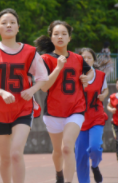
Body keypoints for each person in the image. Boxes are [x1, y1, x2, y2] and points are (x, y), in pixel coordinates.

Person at [0, 9, 47, 183]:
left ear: (18, 27)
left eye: (12, 22)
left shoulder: (30, 52)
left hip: (23, 109)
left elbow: (42, 78)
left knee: (16, 153)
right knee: (6, 158)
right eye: (4, 23)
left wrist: (32, 90)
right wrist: (1, 92)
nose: (8, 25)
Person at [35, 20, 94, 183]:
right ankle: (59, 174)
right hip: (53, 112)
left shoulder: (78, 59)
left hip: (76, 109)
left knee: (67, 147)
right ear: (51, 38)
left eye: (63, 34)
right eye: (56, 34)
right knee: (58, 151)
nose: (60, 37)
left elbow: (90, 72)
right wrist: (58, 67)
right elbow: (44, 87)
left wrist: (87, 78)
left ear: (69, 38)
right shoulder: (45, 59)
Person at [75, 48, 109, 183]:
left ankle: (95, 165)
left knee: (95, 147)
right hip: (79, 119)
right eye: (83, 58)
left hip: (96, 117)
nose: (86, 60)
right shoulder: (75, 75)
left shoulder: (100, 75)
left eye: (89, 57)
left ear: (94, 60)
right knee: (81, 156)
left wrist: (103, 95)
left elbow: (105, 89)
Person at [107, 79, 118, 160]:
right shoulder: (113, 97)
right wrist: (111, 109)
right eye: (117, 83)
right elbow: (108, 106)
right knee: (117, 141)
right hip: (116, 123)